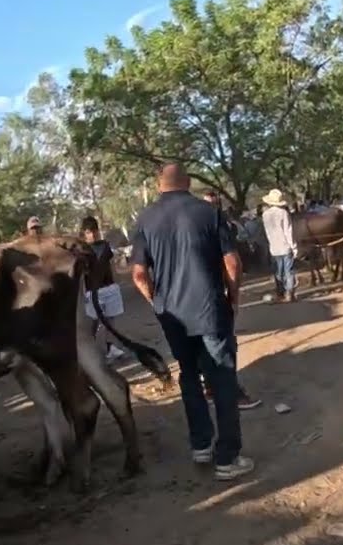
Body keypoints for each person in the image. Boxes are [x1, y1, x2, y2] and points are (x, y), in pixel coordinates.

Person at [130, 162, 254, 480]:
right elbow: (232, 262)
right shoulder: (209, 212)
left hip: (173, 316)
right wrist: (234, 298)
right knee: (222, 378)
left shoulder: (144, 219)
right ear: (186, 182)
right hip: (210, 309)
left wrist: (158, 303)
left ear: (159, 184)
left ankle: (200, 445)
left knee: (188, 375)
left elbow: (139, 274)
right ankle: (227, 458)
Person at [199, 192, 263, 410]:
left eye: (215, 204)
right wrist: (234, 296)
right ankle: (231, 394)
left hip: (186, 299)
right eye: (209, 204)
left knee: (204, 344)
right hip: (212, 294)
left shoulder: (190, 227)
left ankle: (208, 386)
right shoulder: (218, 224)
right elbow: (232, 263)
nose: (212, 207)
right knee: (223, 345)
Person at [80, 216, 128, 363]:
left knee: (111, 321)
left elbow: (113, 266)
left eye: (94, 231)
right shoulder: (82, 251)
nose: (92, 234)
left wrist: (117, 284)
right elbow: (81, 274)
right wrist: (83, 294)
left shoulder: (106, 246)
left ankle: (110, 348)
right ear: (84, 233)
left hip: (110, 288)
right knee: (95, 323)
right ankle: (90, 352)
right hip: (93, 292)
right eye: (89, 232)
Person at [260, 188, 297, 302]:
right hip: (285, 246)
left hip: (274, 248)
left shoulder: (265, 215)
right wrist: (294, 246)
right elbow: (288, 231)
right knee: (288, 271)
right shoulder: (283, 213)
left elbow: (267, 232)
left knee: (278, 272)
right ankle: (289, 293)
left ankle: (280, 293)